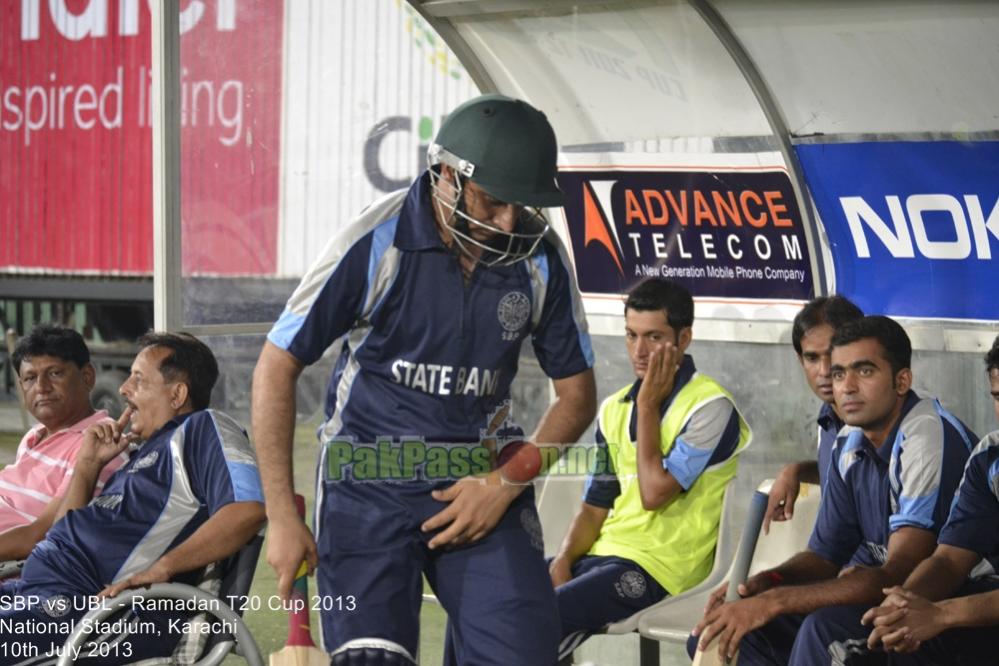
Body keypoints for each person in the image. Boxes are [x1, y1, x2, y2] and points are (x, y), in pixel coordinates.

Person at [252, 94, 596, 665]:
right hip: (367, 486)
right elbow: (276, 366)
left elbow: (577, 397)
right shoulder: (376, 241)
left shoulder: (539, 257)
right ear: (446, 176)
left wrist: (506, 483)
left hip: (481, 482)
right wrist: (282, 517)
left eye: (522, 205)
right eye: (492, 202)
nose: (508, 222)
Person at [691, 316, 977, 665]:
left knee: (823, 632)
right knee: (746, 629)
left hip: (952, 607)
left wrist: (776, 600)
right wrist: (767, 583)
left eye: (865, 371)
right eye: (840, 374)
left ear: (902, 381)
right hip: (885, 598)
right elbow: (824, 556)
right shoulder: (848, 441)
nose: (846, 387)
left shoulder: (927, 437)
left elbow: (900, 574)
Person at [0, 332, 265, 663]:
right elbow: (58, 531)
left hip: (95, 610)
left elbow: (247, 510)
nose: (123, 389)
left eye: (138, 380)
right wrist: (88, 464)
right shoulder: (142, 454)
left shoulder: (205, 428)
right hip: (35, 591)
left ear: (178, 393)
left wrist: (164, 568)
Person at [549, 278, 751, 660]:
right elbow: (595, 506)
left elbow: (654, 493)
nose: (639, 351)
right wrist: (563, 560)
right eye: (631, 335)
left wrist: (648, 407)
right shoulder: (613, 408)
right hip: (603, 556)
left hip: (664, 569)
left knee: (537, 619)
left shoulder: (710, 408)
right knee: (491, 605)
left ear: (684, 338)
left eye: (654, 337)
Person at [856, 334, 999, 665]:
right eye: (998, 396)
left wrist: (941, 614)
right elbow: (949, 559)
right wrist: (905, 603)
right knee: (907, 636)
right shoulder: (989, 457)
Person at [0, 325, 128, 561]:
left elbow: (41, 537)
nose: (41, 387)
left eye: (55, 373)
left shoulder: (97, 446)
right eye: (30, 378)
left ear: (87, 376)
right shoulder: (35, 434)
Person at [765, 296, 863, 532]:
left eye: (833, 354)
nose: (825, 370)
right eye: (812, 358)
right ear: (800, 360)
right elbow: (840, 470)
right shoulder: (828, 416)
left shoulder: (880, 424)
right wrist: (796, 471)